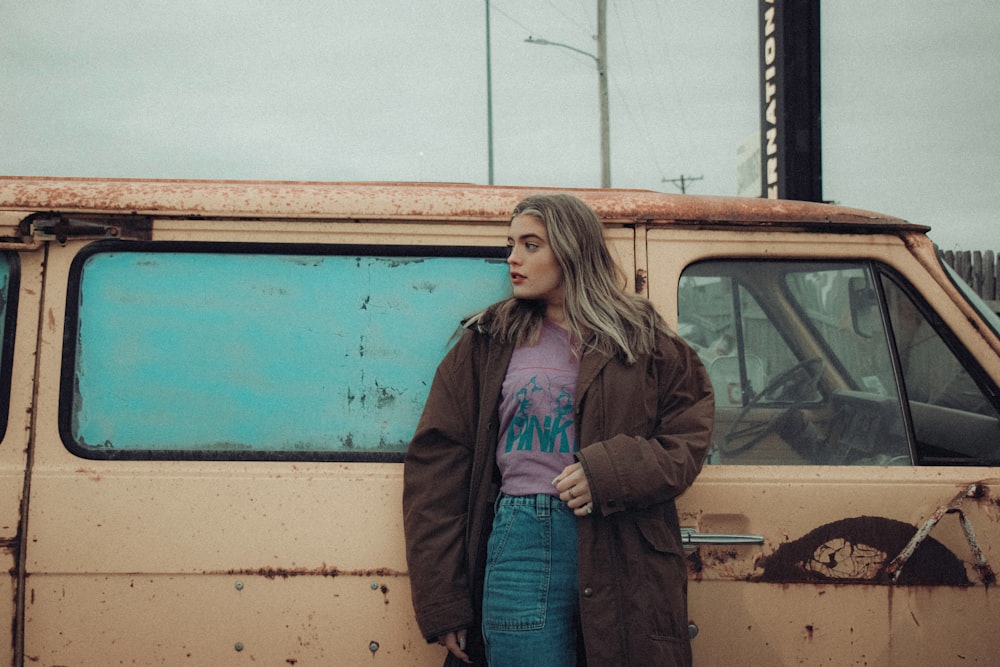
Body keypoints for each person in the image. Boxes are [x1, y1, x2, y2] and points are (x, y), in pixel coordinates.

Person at [402, 193, 714, 666]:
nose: (513, 259)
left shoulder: (642, 338)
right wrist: (444, 601)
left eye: (531, 245)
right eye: (511, 245)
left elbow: (688, 436)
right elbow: (436, 469)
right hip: (519, 539)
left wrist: (610, 472)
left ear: (571, 250)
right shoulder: (488, 340)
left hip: (622, 543)